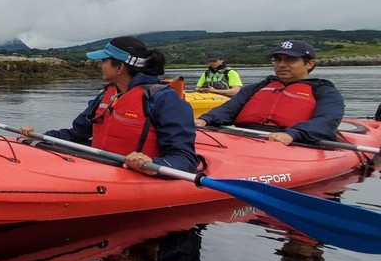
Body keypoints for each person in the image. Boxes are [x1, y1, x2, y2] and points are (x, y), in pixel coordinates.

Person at [18, 36, 199, 173]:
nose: (99, 66)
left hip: (136, 175)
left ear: (120, 67)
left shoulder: (164, 100)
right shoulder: (107, 94)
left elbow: (185, 159)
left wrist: (151, 164)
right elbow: (77, 133)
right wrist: (41, 136)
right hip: (101, 168)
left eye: (104, 61)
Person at [196, 40, 344, 145]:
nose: (281, 65)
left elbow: (326, 121)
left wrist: (292, 134)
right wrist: (206, 119)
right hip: (245, 138)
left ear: (310, 64)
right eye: (277, 60)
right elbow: (229, 109)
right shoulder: (258, 87)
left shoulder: (325, 91)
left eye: (291, 60)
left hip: (291, 141)